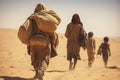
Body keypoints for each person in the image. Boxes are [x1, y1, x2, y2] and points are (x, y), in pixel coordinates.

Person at [27, 2, 61, 80]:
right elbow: (52, 34)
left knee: (35, 57)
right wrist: (52, 44)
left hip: (33, 42)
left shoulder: (31, 18)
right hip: (45, 41)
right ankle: (41, 71)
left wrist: (29, 45)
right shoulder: (47, 19)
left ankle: (36, 73)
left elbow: (28, 32)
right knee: (44, 58)